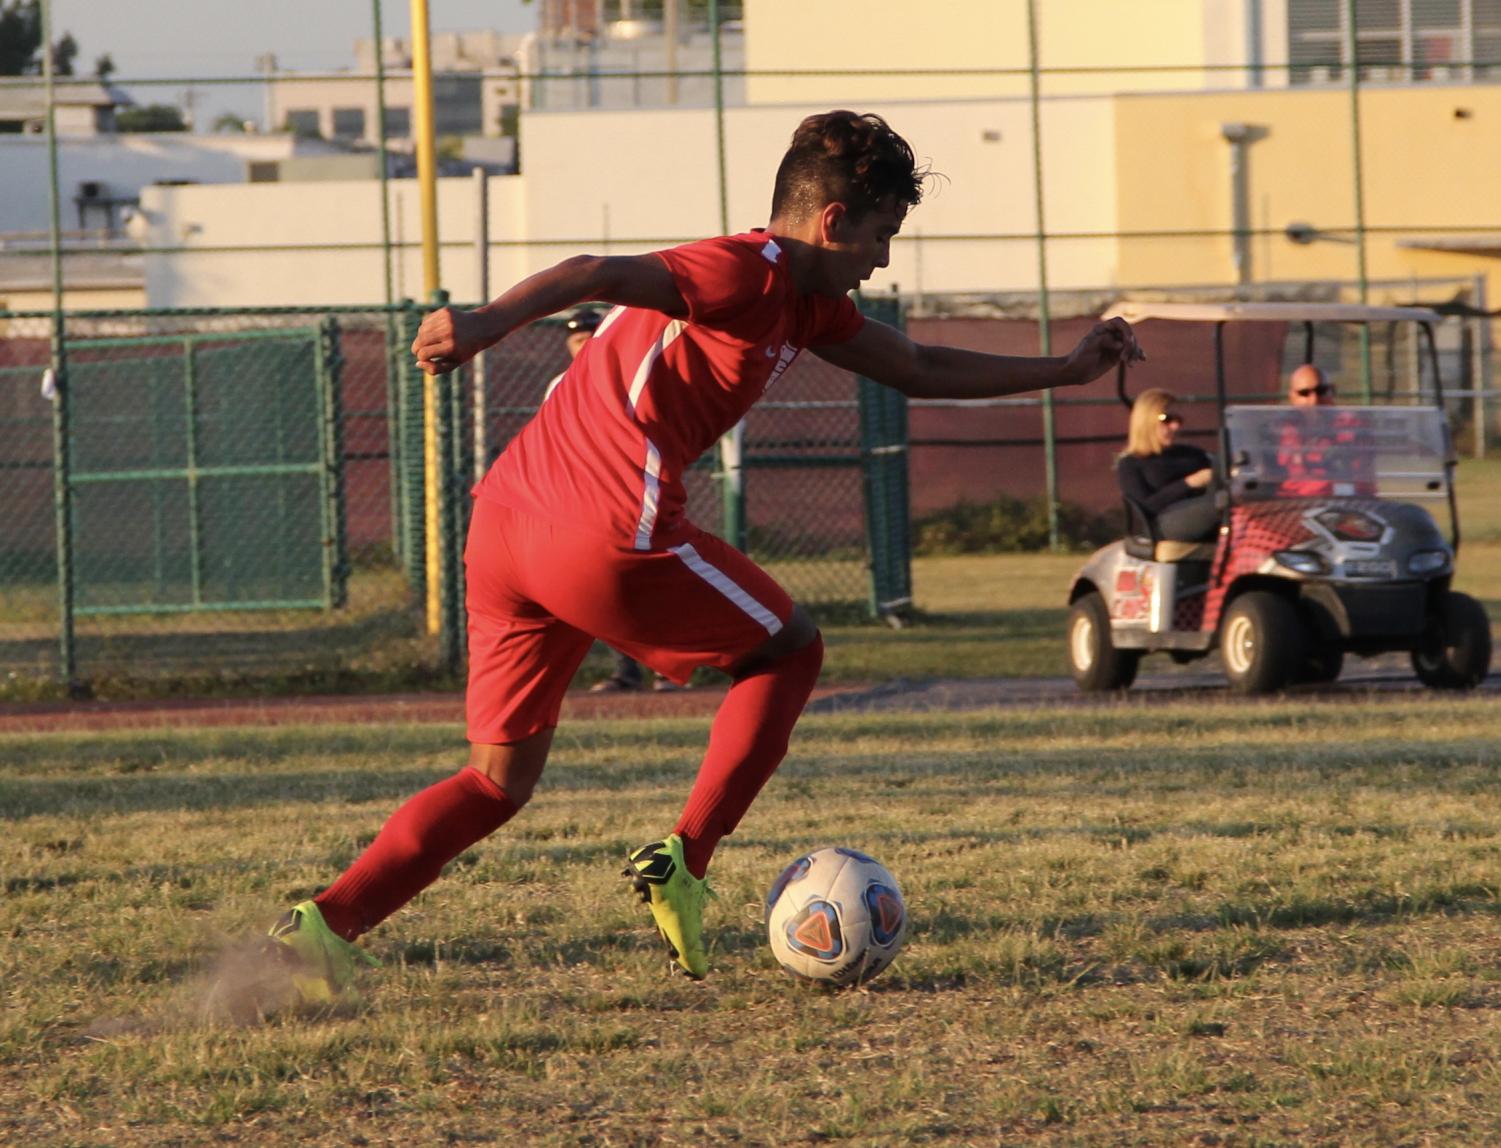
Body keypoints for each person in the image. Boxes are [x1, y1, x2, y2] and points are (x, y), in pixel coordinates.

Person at [264, 109, 1143, 996]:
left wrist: (1063, 372)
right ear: (832, 222)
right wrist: (488, 323)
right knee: (789, 650)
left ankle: (323, 927)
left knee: (496, 780)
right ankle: (684, 859)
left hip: (504, 527)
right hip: (601, 527)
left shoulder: (807, 303)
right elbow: (594, 271)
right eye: (881, 236)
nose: (883, 260)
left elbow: (917, 368)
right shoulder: (745, 269)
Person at [549, 307, 677, 693]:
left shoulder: (634, 373)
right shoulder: (560, 384)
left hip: (637, 491)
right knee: (603, 586)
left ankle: (667, 667)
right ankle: (628, 669)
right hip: (583, 498)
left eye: (591, 335)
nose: (584, 344)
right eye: (576, 339)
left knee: (649, 578)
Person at [1116, 387, 1219, 542]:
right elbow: (1145, 507)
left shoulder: (1192, 454)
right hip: (1161, 525)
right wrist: (1189, 483)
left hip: (1204, 511)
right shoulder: (1130, 463)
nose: (1175, 426)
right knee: (1221, 503)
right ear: (1146, 421)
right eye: (1166, 419)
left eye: (1178, 420)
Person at [1276, 364, 1371, 496]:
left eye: (1321, 391)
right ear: (1292, 397)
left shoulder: (1351, 425)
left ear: (1332, 391)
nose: (1314, 400)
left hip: (1342, 502)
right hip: (1293, 505)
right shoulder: (1279, 429)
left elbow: (1360, 478)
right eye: (1304, 393)